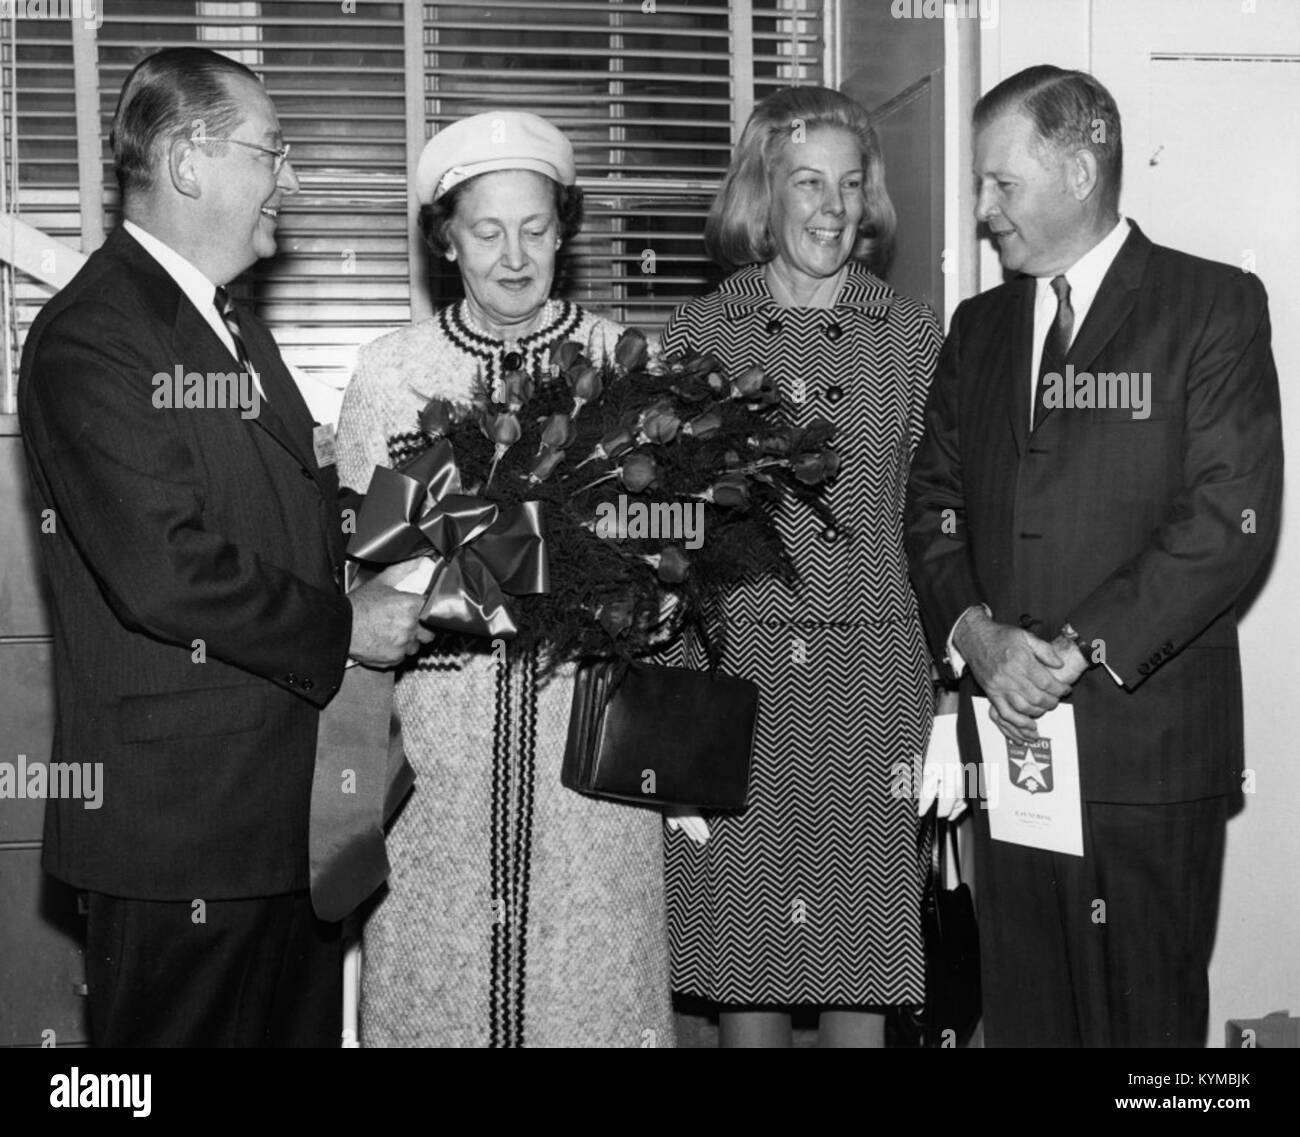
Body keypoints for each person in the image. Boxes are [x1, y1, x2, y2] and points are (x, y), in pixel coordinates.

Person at [18, 48, 428, 1047]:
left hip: (279, 821)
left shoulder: (228, 328)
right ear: (187, 161)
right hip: (181, 835)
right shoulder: (97, 335)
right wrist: (348, 626)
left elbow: (285, 513)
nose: (288, 181)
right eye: (270, 151)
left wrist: (455, 520)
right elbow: (165, 568)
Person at [905, 65, 1283, 1047]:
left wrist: (1074, 647)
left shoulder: (1211, 306)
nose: (983, 211)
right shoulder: (978, 329)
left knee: (1144, 1031)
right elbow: (932, 505)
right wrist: (974, 635)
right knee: (1028, 1018)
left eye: (1001, 183)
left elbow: (1225, 518)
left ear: (1079, 167)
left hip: (1143, 749)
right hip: (1012, 754)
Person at [335, 111, 676, 1048]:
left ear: (564, 230)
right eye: (486, 231)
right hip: (442, 758)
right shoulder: (392, 374)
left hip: (587, 763)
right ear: (448, 240)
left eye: (535, 228)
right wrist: (533, 552)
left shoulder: (626, 365)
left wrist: (634, 586)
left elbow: (679, 569)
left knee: (590, 1005)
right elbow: (365, 568)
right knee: (437, 1005)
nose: (514, 256)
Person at [660, 86, 942, 1048]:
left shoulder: (909, 334)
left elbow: (936, 522)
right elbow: (673, 534)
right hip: (735, 675)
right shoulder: (697, 336)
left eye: (849, 185)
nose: (830, 207)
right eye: (806, 182)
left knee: (863, 958)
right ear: (761, 195)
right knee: (748, 964)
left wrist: (945, 694)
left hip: (871, 678)